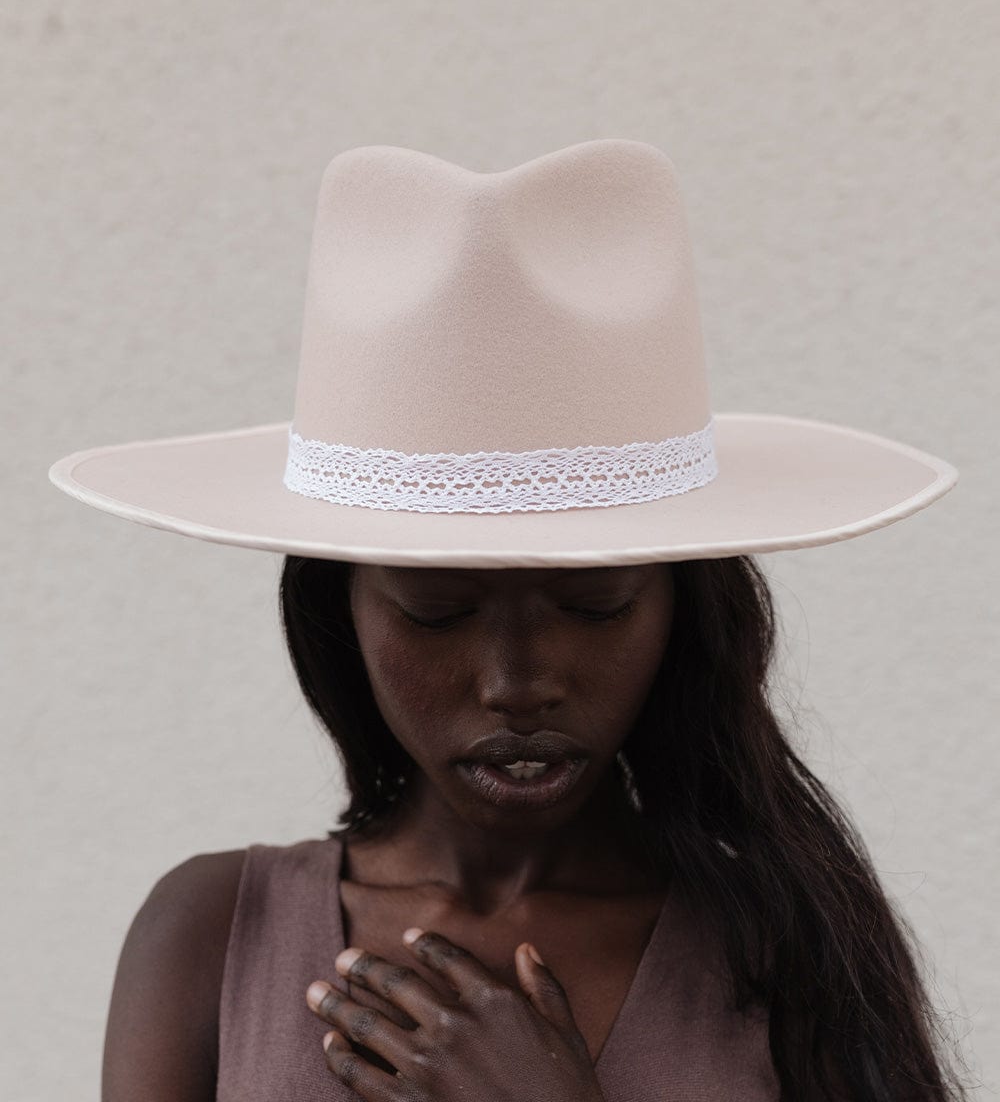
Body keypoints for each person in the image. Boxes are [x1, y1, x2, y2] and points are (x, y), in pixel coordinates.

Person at [48, 139, 970, 1101]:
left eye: (594, 606)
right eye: (437, 614)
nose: (517, 683)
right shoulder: (210, 936)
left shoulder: (791, 945)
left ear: (682, 609)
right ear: (339, 612)